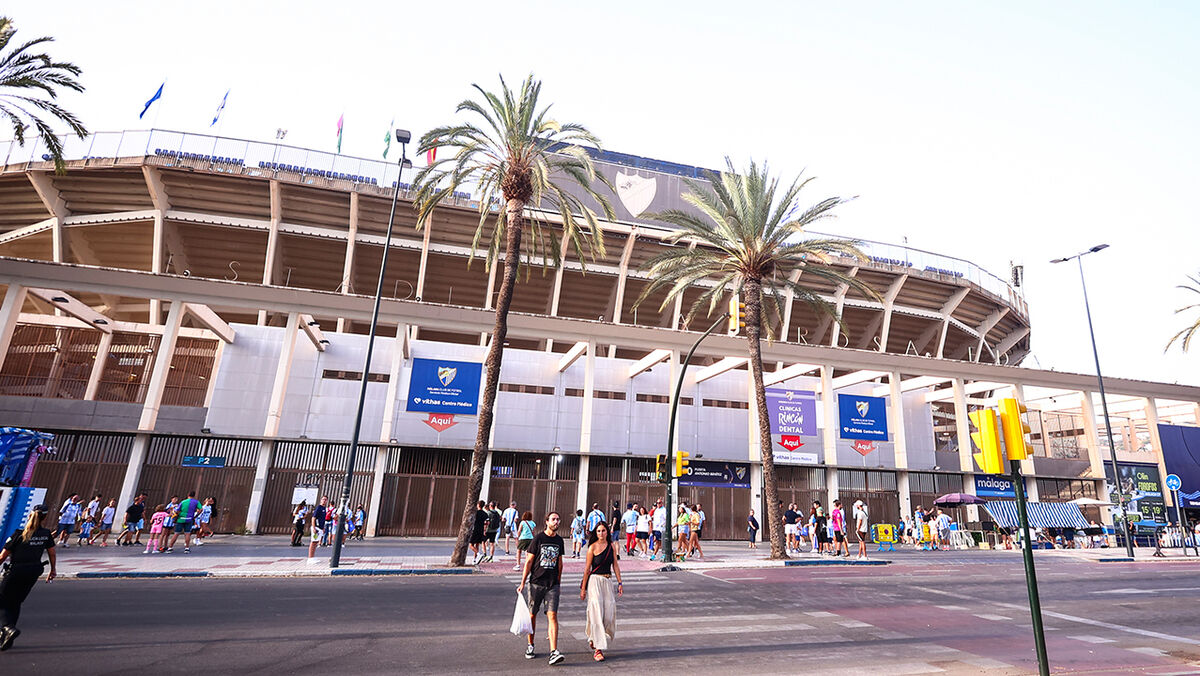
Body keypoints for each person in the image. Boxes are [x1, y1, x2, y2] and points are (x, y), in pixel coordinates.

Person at [0, 504, 58, 651]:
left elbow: (2, 556)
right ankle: (7, 638)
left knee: (2, 601)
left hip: (16, 571)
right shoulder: (46, 534)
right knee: (16, 602)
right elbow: (52, 553)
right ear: (44, 517)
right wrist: (53, 570)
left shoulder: (19, 534)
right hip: (33, 571)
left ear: (30, 515)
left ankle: (7, 628)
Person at [516, 512, 566, 666]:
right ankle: (530, 645)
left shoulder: (559, 540)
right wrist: (523, 582)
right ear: (547, 522)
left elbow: (560, 563)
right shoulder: (538, 538)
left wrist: (558, 583)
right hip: (536, 583)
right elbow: (529, 561)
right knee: (532, 615)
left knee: (553, 615)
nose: (556, 522)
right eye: (553, 519)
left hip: (552, 585)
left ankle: (554, 651)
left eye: (558, 519)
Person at [580, 520, 622, 662]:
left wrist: (620, 582)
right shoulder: (592, 547)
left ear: (607, 532)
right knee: (597, 612)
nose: (601, 533)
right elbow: (587, 570)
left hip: (607, 581)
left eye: (603, 531)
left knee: (608, 614)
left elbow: (615, 565)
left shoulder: (611, 546)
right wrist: (583, 588)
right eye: (598, 531)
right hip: (595, 581)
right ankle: (598, 648)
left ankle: (594, 636)